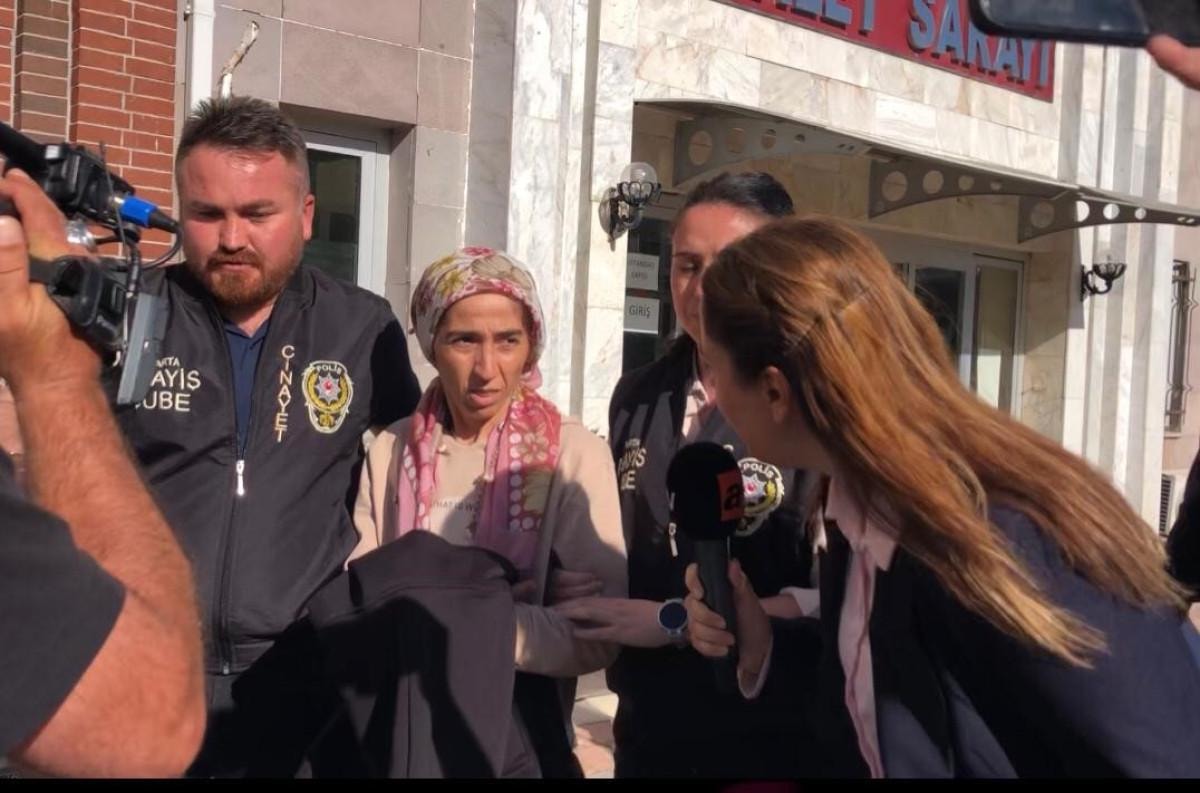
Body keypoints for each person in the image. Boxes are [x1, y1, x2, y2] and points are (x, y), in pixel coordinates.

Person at [685, 215, 1200, 777]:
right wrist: (764, 644)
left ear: (774, 391)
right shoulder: (852, 511)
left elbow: (1161, 752)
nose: (710, 396)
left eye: (713, 367)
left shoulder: (1006, 537)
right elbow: (881, 701)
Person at [115, 96, 421, 776]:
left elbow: (421, 467)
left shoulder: (362, 327)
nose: (231, 237)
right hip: (148, 668)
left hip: (309, 676)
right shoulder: (131, 316)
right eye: (207, 214)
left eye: (258, 214)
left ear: (306, 215)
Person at [552, 172, 825, 778]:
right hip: (649, 729)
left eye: (729, 266)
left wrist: (686, 619)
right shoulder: (637, 395)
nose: (703, 289)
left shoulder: (812, 404)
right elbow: (629, 540)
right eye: (687, 266)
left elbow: (837, 597)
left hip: (772, 735)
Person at [352, 247, 628, 774]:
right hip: (402, 732)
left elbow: (598, 633)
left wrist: (441, 611)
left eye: (507, 341)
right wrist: (507, 607)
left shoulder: (570, 455)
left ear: (531, 346)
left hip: (523, 738)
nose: (487, 369)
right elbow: (361, 604)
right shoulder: (392, 451)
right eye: (464, 340)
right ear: (432, 344)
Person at [0, 170, 204, 775]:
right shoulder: (159, 299)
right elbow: (152, 720)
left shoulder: (355, 321)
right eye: (207, 213)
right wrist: (56, 375)